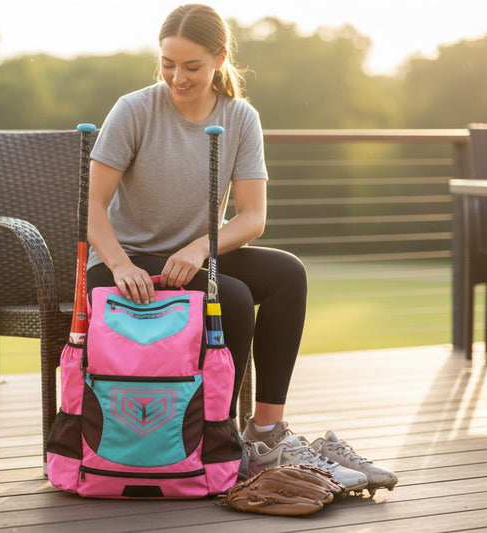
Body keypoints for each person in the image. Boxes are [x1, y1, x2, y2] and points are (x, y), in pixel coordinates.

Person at [85, 4, 397, 493]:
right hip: (126, 263)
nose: (177, 77)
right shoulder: (134, 109)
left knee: (288, 273)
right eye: (168, 63)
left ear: (220, 58)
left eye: (192, 66)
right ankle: (219, 437)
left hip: (193, 254)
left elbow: (253, 216)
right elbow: (93, 207)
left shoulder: (240, 117)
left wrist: (198, 249)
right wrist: (121, 263)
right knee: (227, 295)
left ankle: (265, 434)